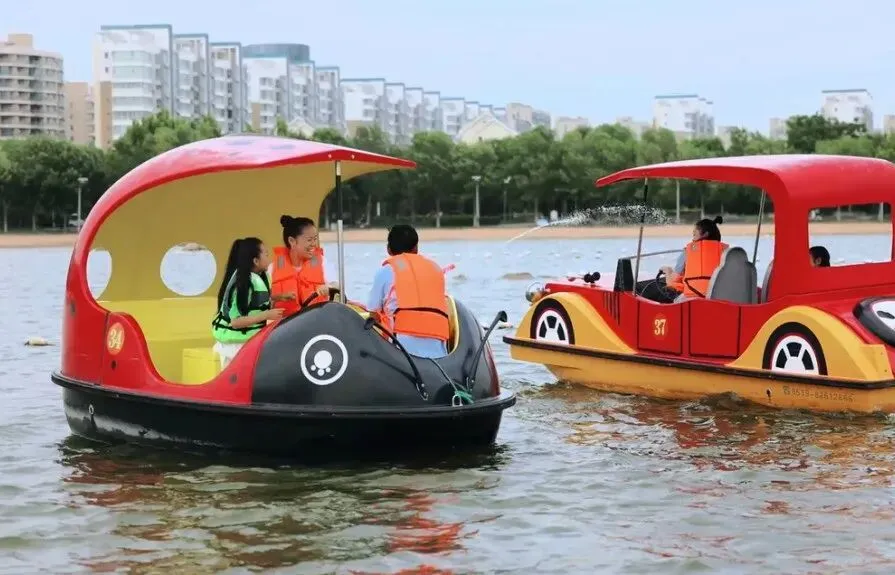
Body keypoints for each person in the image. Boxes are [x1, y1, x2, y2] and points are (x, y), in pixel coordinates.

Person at [366, 224, 450, 359]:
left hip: (401, 351)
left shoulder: (385, 272)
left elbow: (373, 315)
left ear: (388, 249)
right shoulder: (435, 269)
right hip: (439, 351)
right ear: (416, 248)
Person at [212, 237, 283, 368]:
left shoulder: (260, 277)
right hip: (234, 346)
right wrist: (266, 315)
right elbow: (236, 322)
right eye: (266, 255)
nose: (269, 259)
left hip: (248, 342)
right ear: (256, 261)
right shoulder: (243, 284)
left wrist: (281, 297)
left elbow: (257, 301)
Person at [636, 216, 727, 303]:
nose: (693, 238)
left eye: (694, 234)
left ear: (705, 234)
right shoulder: (726, 252)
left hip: (692, 299)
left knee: (660, 293)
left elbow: (673, 282)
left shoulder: (688, 251)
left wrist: (668, 271)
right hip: (720, 299)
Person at [269, 215, 334, 315]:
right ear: (292, 241)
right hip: (285, 322)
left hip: (318, 319)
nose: (314, 244)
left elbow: (336, 286)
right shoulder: (272, 268)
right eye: (309, 240)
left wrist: (328, 288)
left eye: (315, 239)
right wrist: (279, 297)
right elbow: (264, 300)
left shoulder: (323, 262)